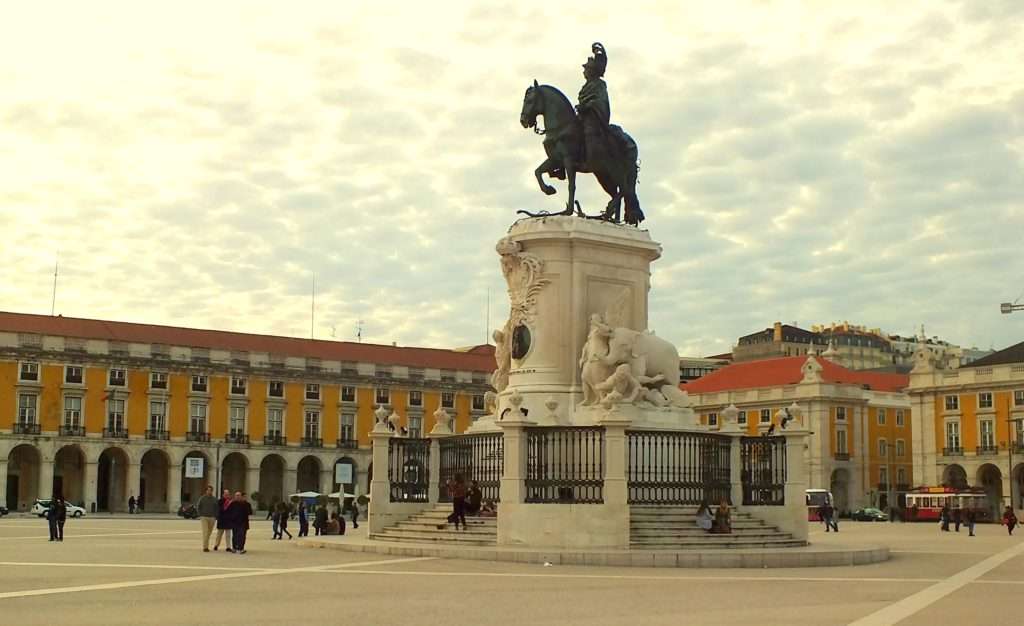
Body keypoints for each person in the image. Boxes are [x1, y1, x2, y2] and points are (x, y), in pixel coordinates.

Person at [196, 485, 220, 552]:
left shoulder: (215, 499)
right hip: (204, 517)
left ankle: (206, 544)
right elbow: (198, 506)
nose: (209, 491)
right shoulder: (202, 498)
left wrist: (215, 516)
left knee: (209, 533)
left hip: (212, 518)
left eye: (210, 490)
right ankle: (205, 547)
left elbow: (217, 508)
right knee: (205, 533)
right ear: (206, 491)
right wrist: (200, 514)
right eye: (208, 490)